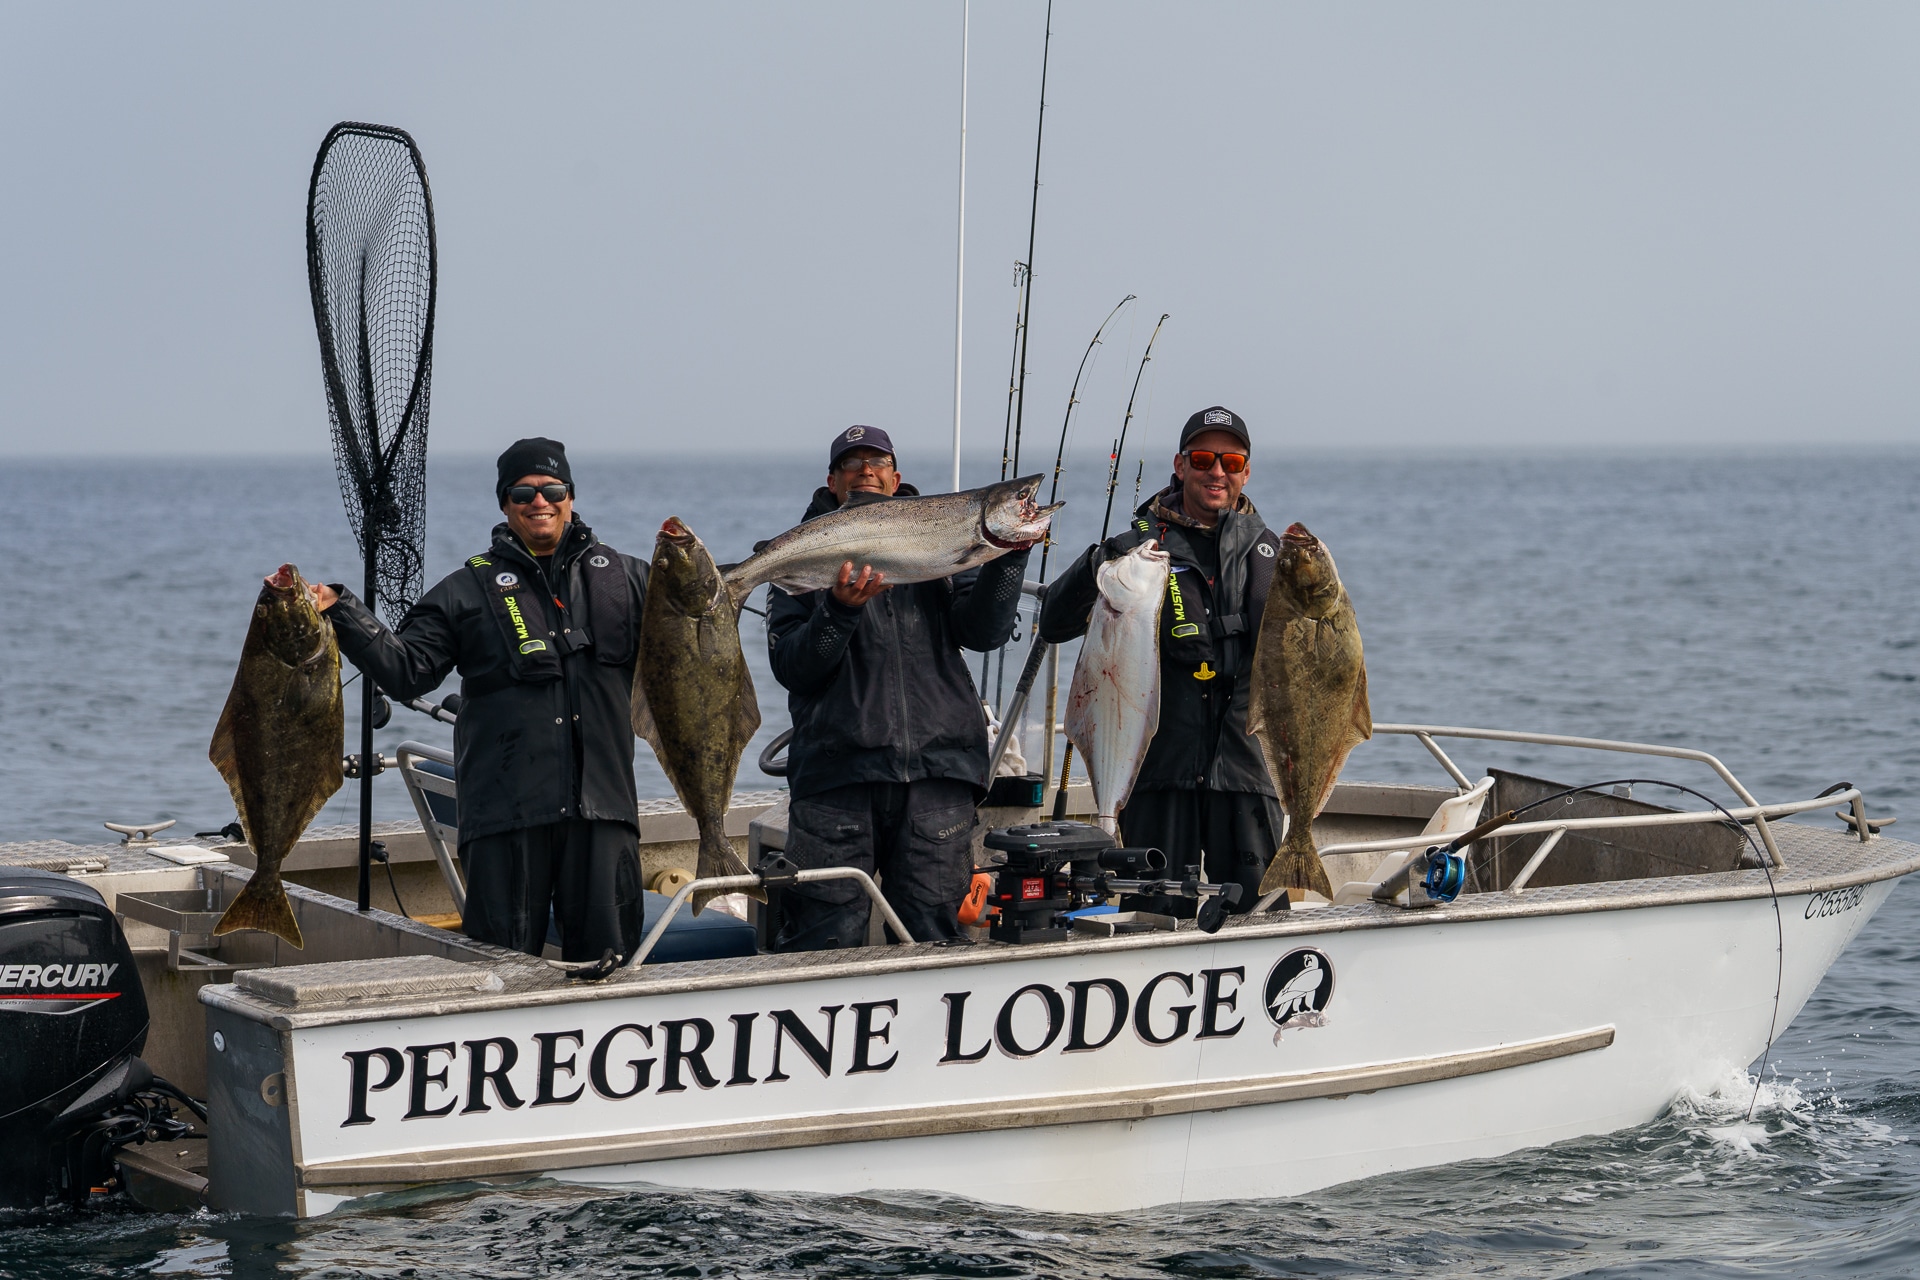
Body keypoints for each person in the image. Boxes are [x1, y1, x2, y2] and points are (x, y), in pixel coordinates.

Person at [312, 437, 651, 962]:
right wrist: (341, 610)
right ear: (504, 504)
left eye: (551, 489)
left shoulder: (630, 580)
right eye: (523, 493)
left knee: (609, 968)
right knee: (501, 969)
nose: (539, 501)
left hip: (603, 814)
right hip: (504, 819)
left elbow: (693, 661)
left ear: (570, 497)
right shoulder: (465, 590)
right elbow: (407, 673)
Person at [766, 426, 1031, 950]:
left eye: (877, 461)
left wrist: (1010, 558)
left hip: (938, 774)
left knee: (934, 938)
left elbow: (984, 634)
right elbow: (794, 668)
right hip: (836, 778)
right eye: (852, 462)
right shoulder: (800, 551)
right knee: (823, 940)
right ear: (832, 481)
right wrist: (838, 612)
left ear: (896, 476)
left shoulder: (945, 536)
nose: (865, 469)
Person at [1038, 406, 1287, 914]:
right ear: (1180, 465)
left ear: (1245, 471)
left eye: (1231, 461)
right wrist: (1097, 564)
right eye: (1202, 458)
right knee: (1149, 920)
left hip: (1243, 772)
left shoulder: (1270, 553)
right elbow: (1055, 622)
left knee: (1260, 923)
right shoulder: (1136, 550)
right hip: (1155, 767)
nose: (1217, 471)